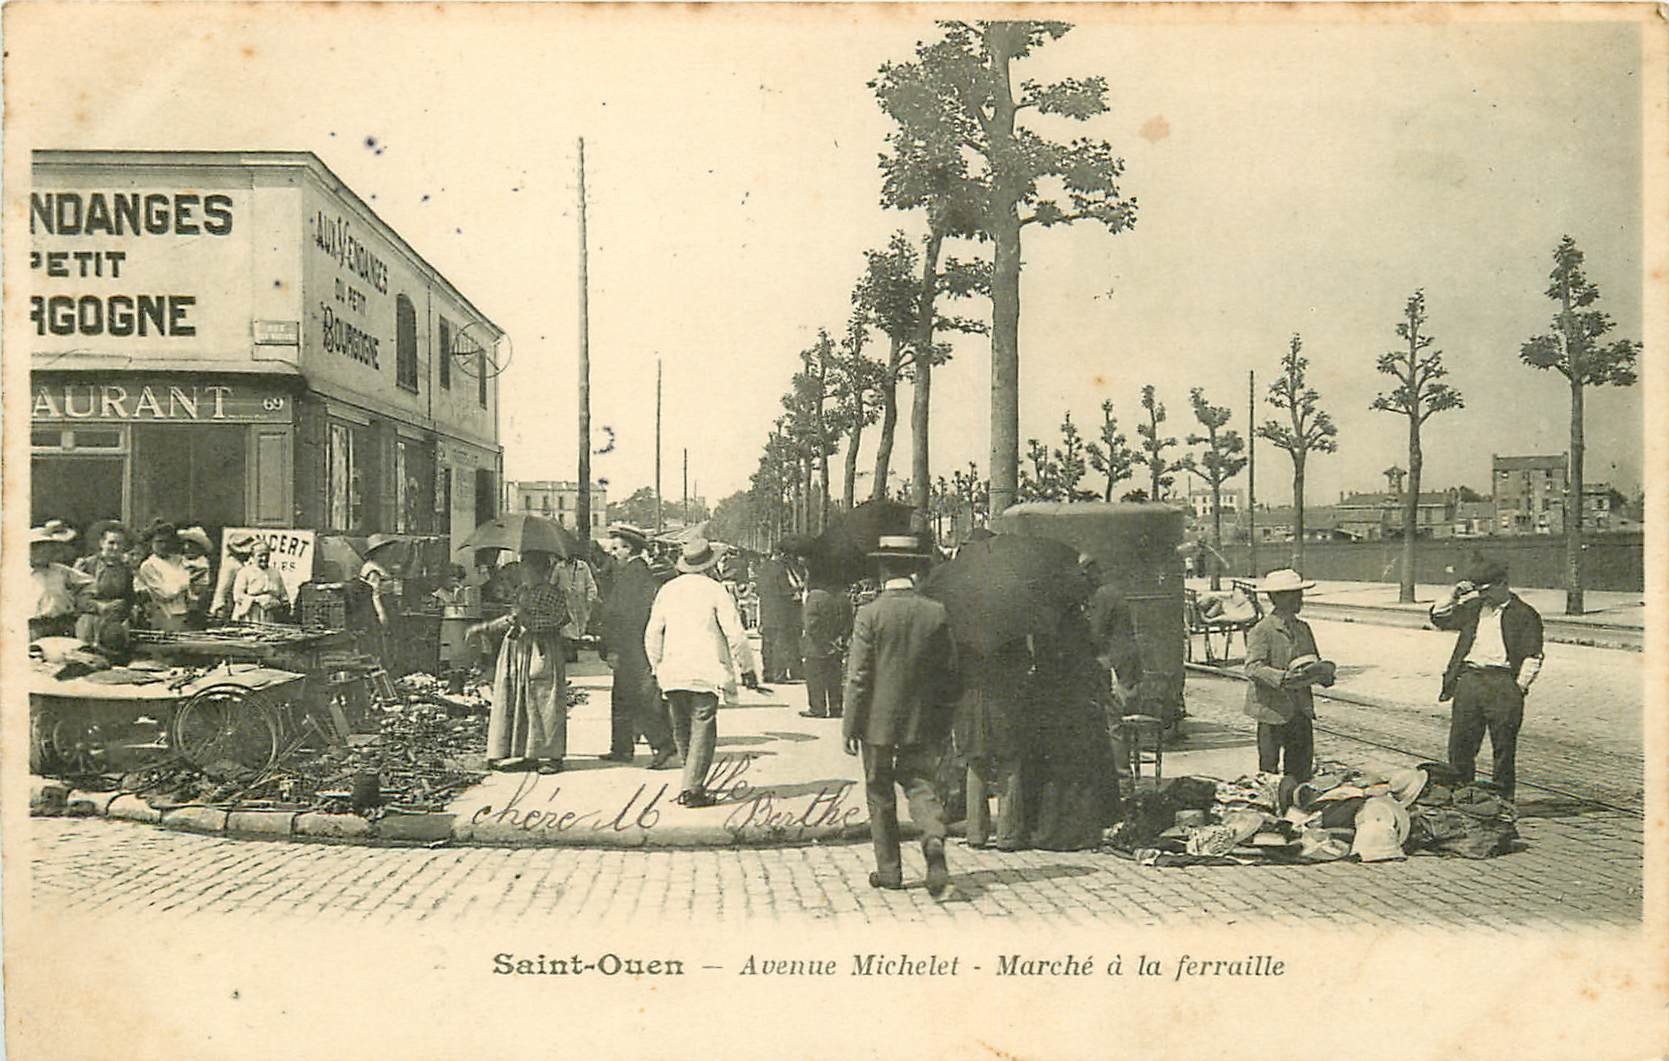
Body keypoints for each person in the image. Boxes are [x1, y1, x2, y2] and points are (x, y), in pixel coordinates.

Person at [843, 535, 962, 898]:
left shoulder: (870, 613)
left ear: (882, 568)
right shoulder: (935, 611)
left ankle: (890, 871)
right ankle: (933, 838)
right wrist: (941, 717)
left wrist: (850, 724)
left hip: (876, 723)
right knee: (921, 784)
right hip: (921, 719)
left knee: (880, 793)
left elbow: (859, 675)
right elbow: (949, 671)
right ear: (914, 569)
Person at [643, 539, 758, 807]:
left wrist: (656, 666)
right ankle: (693, 789)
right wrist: (748, 669)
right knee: (703, 727)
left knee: (681, 727)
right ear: (710, 564)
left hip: (673, 671)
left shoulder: (667, 590)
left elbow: (652, 633)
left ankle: (689, 778)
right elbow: (736, 635)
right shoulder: (715, 591)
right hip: (705, 671)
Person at [1430, 556, 1544, 800]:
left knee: (1503, 748)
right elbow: (1439, 617)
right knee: (1461, 744)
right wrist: (1454, 594)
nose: (1483, 596)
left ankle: (1502, 801)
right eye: (1479, 591)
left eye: (1487, 590)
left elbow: (1533, 655)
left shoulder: (1524, 614)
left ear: (1503, 584)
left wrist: (1518, 688)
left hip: (1502, 684)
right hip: (1470, 680)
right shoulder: (1474, 608)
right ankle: (1462, 796)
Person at [471, 550, 569, 774]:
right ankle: (524, 752)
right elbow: (510, 619)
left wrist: (528, 620)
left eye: (526, 566)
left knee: (543, 700)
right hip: (517, 650)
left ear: (539, 569)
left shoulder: (551, 592)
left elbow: (560, 619)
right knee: (518, 699)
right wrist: (485, 628)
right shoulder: (522, 591)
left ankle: (550, 756)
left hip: (541, 650)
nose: (522, 571)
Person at [596, 524, 676, 769]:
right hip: (632, 643)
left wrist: (613, 648)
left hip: (631, 645)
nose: (614, 553)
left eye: (617, 548)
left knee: (639, 697)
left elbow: (623, 615)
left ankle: (663, 744)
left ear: (630, 550)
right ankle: (621, 747)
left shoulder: (634, 574)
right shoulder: (634, 572)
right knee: (621, 697)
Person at [1242, 568, 1333, 782]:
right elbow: (1253, 667)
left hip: (1300, 710)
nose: (1300, 600)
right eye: (1295, 595)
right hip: (1271, 711)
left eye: (1300, 594)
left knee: (1301, 769)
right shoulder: (1262, 630)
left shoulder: (1303, 628)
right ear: (1277, 598)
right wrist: (1282, 678)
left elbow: (1312, 662)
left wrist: (1323, 674)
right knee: (1269, 773)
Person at [954, 636, 1034, 850]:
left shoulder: (962, 632)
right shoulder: (1010, 630)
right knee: (1009, 763)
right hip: (1004, 704)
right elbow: (1024, 664)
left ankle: (976, 832)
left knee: (976, 763)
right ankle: (1008, 835)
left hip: (970, 704)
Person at [798, 567, 853, 719]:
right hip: (837, 645)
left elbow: (811, 624)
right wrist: (840, 640)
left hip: (817, 646)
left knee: (815, 677)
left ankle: (818, 708)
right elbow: (849, 622)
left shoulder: (815, 597)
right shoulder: (843, 597)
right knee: (835, 678)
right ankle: (836, 707)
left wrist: (825, 642)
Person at [74, 521, 135, 651]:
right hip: (90, 620)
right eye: (111, 543)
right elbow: (76, 597)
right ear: (102, 543)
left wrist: (123, 604)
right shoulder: (87, 565)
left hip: (114, 622)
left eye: (119, 543)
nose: (115, 547)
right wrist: (99, 606)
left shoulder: (125, 569)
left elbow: (129, 597)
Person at [30, 520, 91, 640]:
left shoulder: (61, 570)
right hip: (35, 626)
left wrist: (81, 601)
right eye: (40, 548)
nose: (47, 552)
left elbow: (89, 583)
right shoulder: (18, 574)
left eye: (49, 548)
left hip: (62, 623)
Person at [755, 544, 804, 682]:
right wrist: (796, 590)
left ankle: (768, 673)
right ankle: (779, 674)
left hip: (766, 611)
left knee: (767, 645)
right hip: (782, 613)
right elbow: (784, 590)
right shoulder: (782, 569)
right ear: (783, 555)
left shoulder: (763, 568)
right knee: (780, 645)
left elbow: (759, 590)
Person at [135, 521, 194, 633]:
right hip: (165, 614)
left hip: (183, 612)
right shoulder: (149, 565)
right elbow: (165, 593)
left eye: (167, 541)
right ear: (150, 543)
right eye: (159, 542)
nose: (164, 546)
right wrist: (184, 583)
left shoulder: (178, 560)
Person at [552, 553, 600, 663]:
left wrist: (590, 598)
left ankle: (574, 651)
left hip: (580, 602)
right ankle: (569, 653)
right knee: (566, 628)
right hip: (565, 602)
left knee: (579, 628)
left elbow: (590, 584)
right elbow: (553, 584)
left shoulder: (583, 567)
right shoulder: (559, 567)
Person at [232, 540, 290, 622]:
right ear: (253, 556)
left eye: (267, 555)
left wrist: (279, 603)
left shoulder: (275, 573)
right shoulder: (245, 572)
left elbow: (283, 595)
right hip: (250, 614)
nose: (264, 558)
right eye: (260, 555)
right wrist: (257, 600)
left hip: (270, 614)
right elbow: (237, 596)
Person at [211, 531, 257, 619]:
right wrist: (219, 606)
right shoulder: (232, 565)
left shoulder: (237, 564)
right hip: (228, 605)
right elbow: (223, 588)